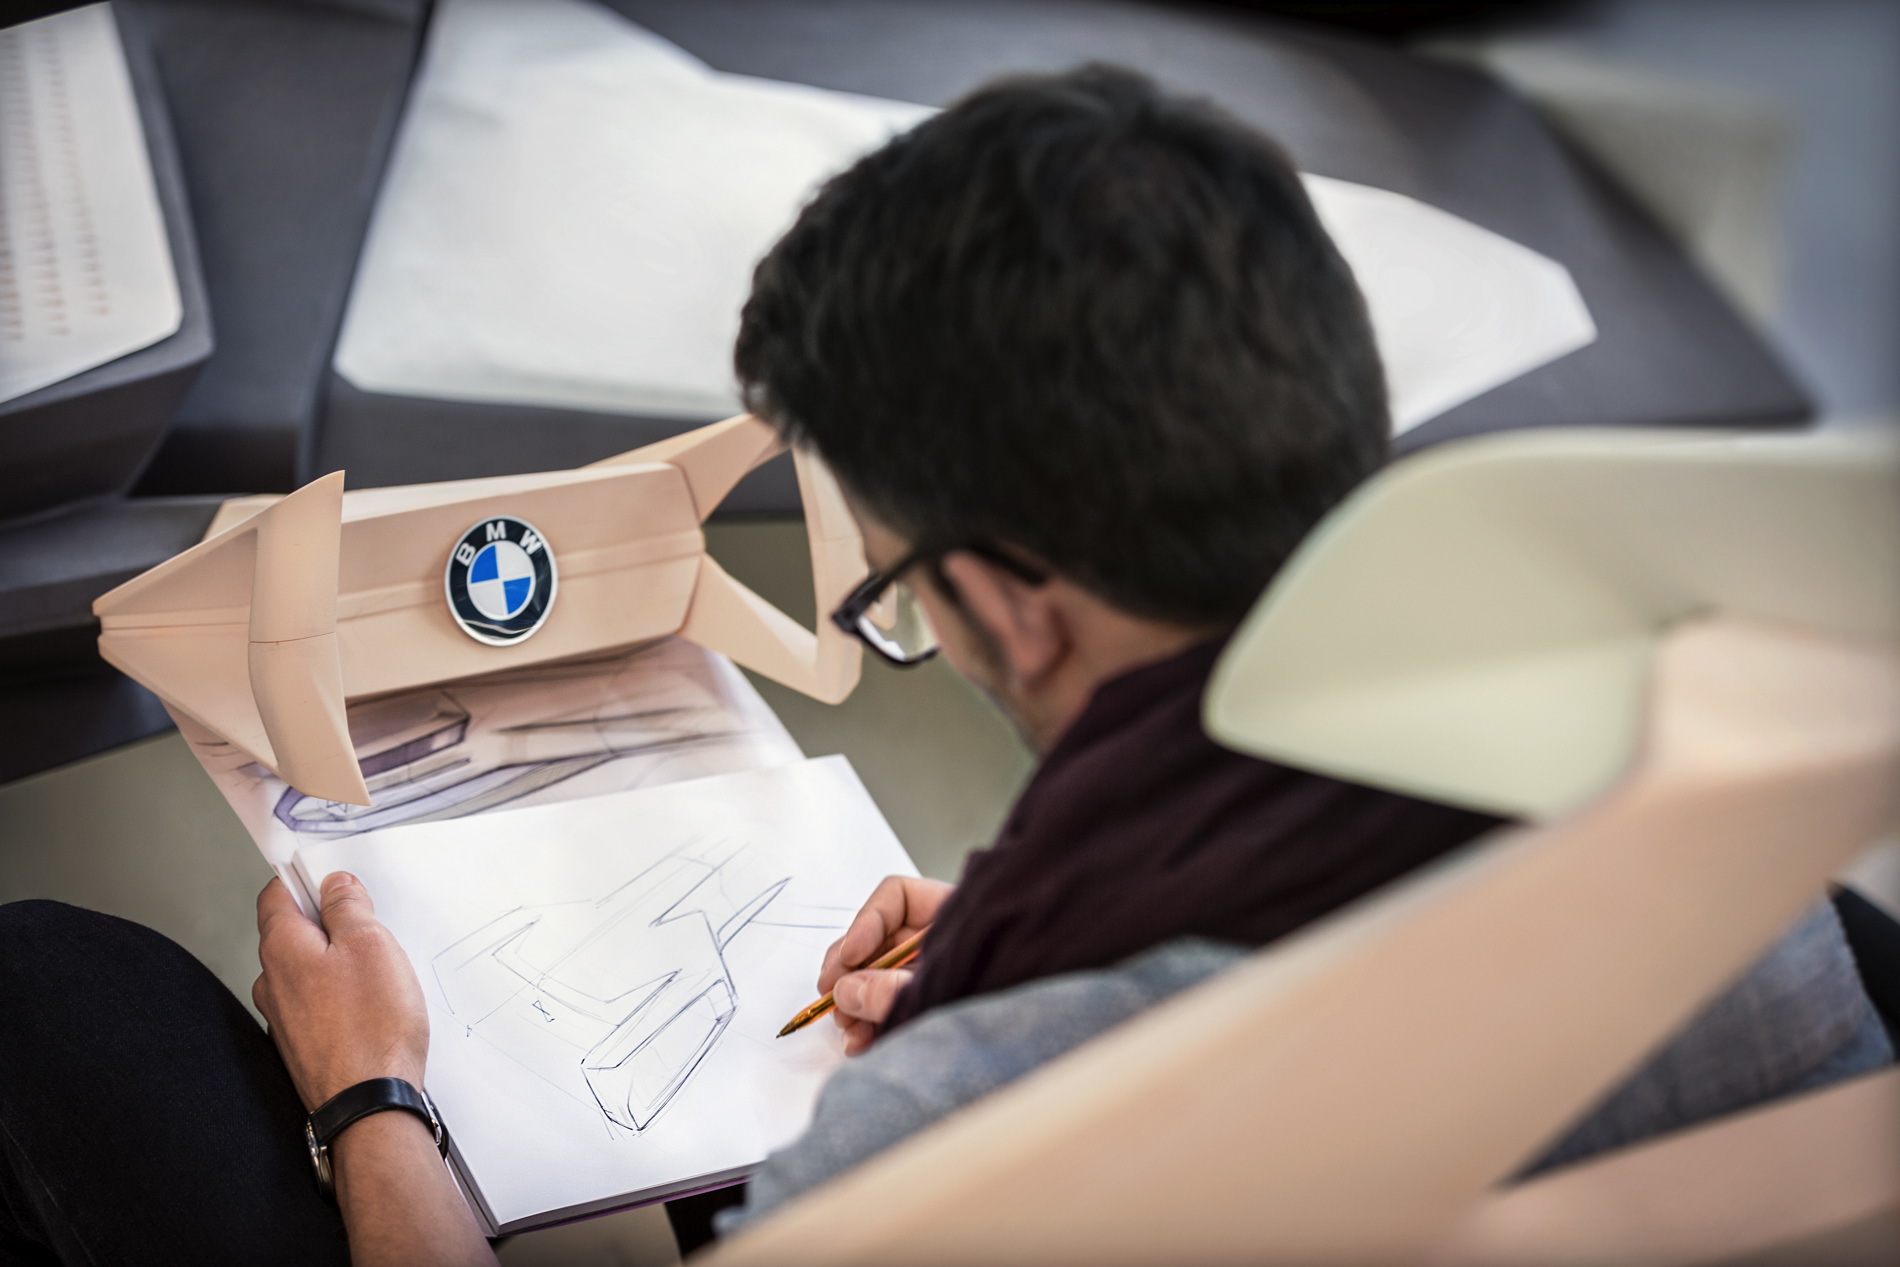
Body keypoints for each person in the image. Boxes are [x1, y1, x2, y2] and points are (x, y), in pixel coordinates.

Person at [0, 66, 1890, 1267]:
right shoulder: (1705, 790)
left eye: (897, 588)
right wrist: (1031, 955)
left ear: (1013, 600)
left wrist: (370, 1100)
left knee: (67, 996)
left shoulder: (944, 1145)